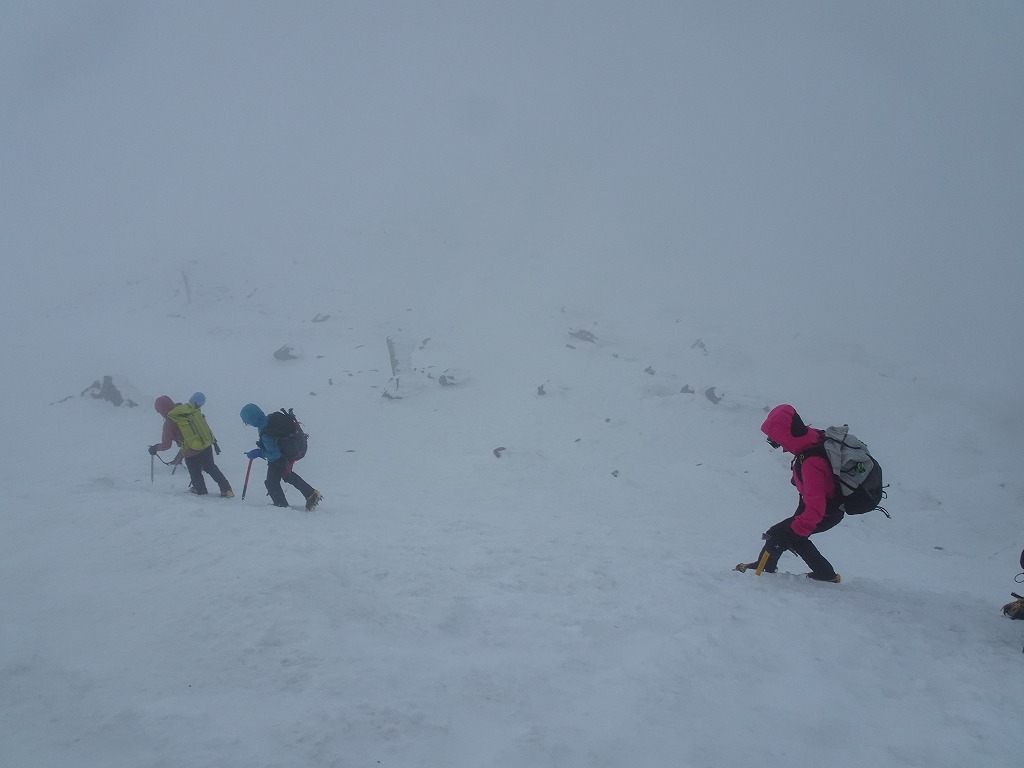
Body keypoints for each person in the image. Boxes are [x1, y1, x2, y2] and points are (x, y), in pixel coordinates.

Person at [736, 403, 842, 582]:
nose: (777, 445)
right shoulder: (812, 439)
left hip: (824, 513)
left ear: (785, 435)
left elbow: (815, 508)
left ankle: (765, 572)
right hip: (824, 510)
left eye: (775, 440)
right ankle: (825, 574)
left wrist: (792, 533)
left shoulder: (811, 462)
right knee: (780, 534)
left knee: (783, 536)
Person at [239, 403, 321, 510]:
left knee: (272, 482)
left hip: (281, 457)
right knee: (286, 475)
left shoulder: (265, 431)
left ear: (251, 420)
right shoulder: (271, 419)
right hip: (291, 451)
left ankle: (281, 506)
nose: (248, 424)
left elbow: (274, 454)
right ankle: (311, 493)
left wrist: (259, 453)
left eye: (247, 422)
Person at [149, 394, 233, 498]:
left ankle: (200, 490)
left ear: (162, 410)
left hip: (191, 451)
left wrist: (154, 448)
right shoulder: (188, 409)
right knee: (211, 467)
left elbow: (166, 445)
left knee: (195, 472)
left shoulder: (170, 422)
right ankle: (227, 490)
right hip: (205, 444)